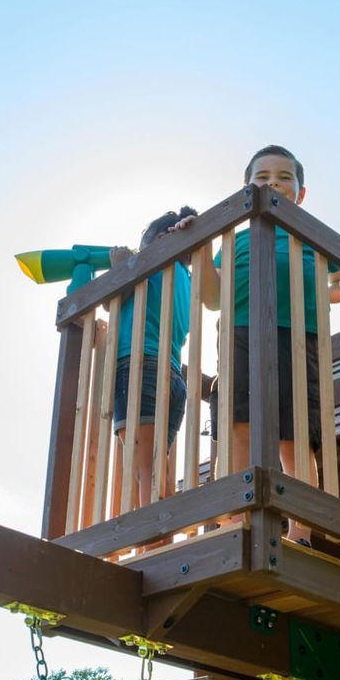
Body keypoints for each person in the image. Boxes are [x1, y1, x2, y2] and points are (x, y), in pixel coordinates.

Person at [205, 145, 340, 545]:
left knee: (295, 435)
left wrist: (320, 290)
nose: (273, 183)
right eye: (263, 177)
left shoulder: (312, 238)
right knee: (238, 424)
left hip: (299, 336)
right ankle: (235, 520)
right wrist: (199, 248)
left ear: (301, 193)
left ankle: (300, 530)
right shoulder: (235, 239)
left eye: (285, 177)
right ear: (247, 189)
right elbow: (212, 298)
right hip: (242, 332)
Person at [109, 206, 219, 511]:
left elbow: (110, 304)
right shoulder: (186, 278)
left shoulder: (149, 267)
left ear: (159, 240)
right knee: (159, 464)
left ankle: (151, 535)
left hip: (138, 366)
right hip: (172, 376)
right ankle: (162, 532)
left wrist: (121, 267)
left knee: (143, 465)